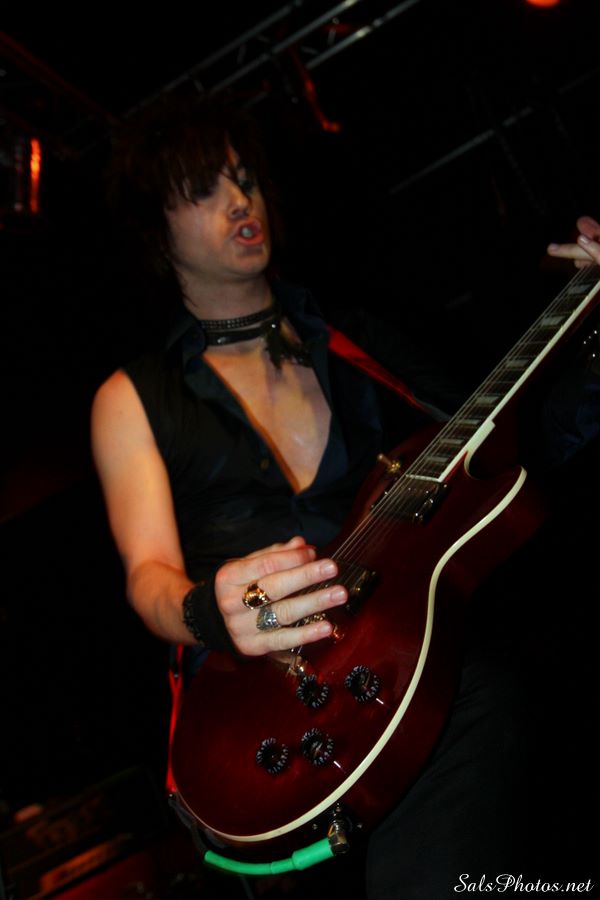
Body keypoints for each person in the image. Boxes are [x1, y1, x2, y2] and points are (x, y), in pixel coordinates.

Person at [91, 94, 598, 897]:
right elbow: (148, 575)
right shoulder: (134, 397)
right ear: (158, 231)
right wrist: (209, 613)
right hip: (258, 734)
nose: (240, 200)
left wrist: (592, 334)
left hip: (426, 685)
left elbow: (516, 445)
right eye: (205, 189)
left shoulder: (354, 338)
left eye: (245, 178)